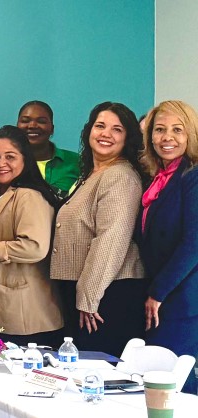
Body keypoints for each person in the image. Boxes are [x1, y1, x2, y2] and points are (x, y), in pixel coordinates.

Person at [50, 102, 147, 357]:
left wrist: (89, 297)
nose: (106, 134)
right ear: (88, 130)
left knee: (97, 373)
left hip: (106, 296)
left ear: (127, 138)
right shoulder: (92, 175)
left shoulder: (120, 176)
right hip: (89, 292)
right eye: (100, 126)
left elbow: (111, 239)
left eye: (117, 129)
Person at [0, 126, 63, 347]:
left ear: (25, 159)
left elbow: (35, 247)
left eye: (10, 157)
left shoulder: (29, 196)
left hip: (27, 314)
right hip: (0, 307)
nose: (0, 164)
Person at [138, 100, 198, 393]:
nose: (167, 138)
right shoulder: (160, 177)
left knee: (177, 385)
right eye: (160, 130)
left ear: (191, 135)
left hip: (182, 299)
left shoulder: (193, 174)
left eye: (177, 130)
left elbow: (194, 242)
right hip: (164, 295)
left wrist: (157, 292)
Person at [18, 100, 82, 195]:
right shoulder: (7, 162)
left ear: (52, 129)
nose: (32, 125)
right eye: (25, 121)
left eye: (41, 121)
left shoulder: (77, 162)